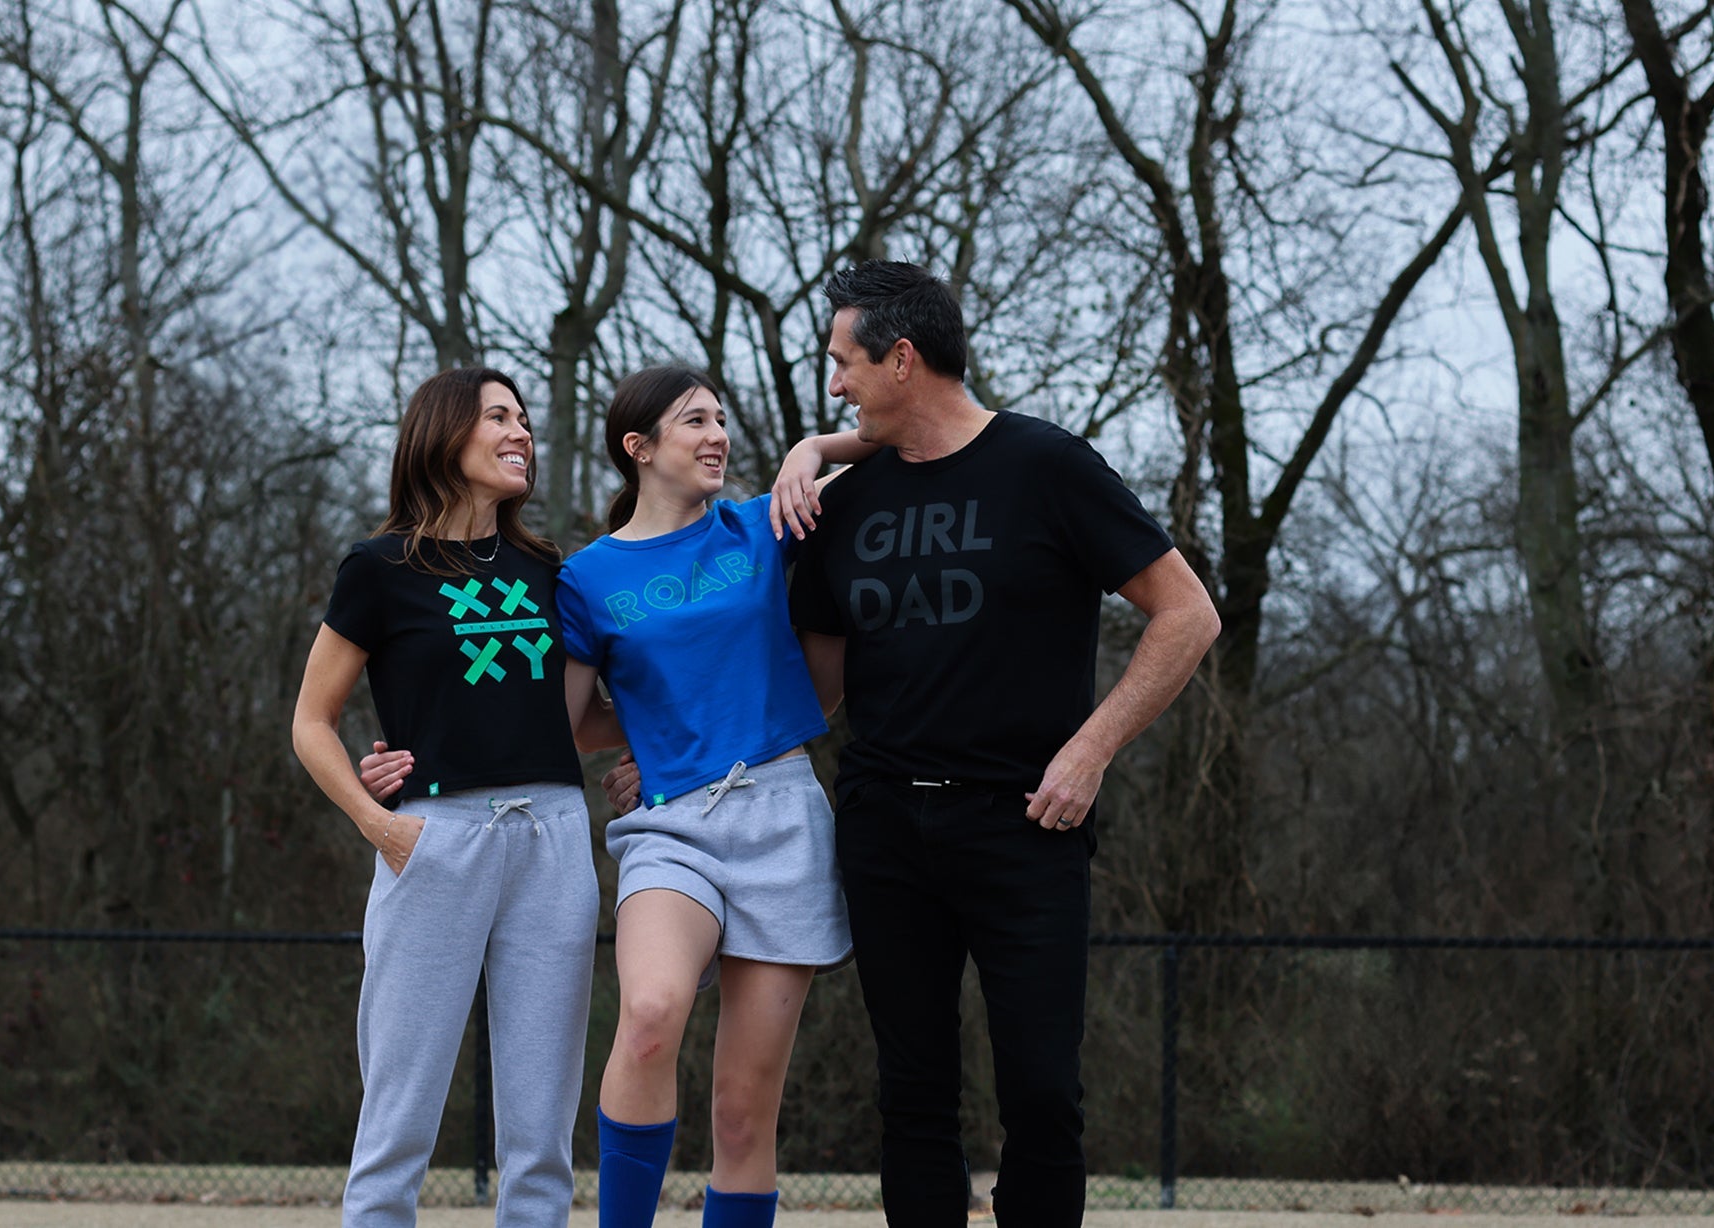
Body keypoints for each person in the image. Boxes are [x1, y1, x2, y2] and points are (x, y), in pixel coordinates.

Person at [767, 260, 1220, 1228]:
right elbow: (807, 692)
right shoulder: (839, 507)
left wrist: (1089, 750)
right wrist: (663, 755)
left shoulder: (1046, 466)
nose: (834, 383)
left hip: (1025, 823)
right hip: (885, 825)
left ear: (901, 357)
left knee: (1043, 1097)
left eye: (842, 363)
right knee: (913, 1098)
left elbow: (1186, 615)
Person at [292, 367, 619, 1228]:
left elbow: (571, 721)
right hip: (433, 842)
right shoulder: (379, 567)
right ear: (445, 434)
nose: (521, 434)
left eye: (524, 420)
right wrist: (378, 824)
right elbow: (311, 722)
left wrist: (647, 750)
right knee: (399, 1113)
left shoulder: (549, 569)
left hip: (553, 838)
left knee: (542, 1126)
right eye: (498, 417)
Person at [558, 365, 851, 1228]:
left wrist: (811, 447)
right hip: (672, 828)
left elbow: (888, 448)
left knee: (740, 1114)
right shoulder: (585, 577)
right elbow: (567, 726)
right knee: (648, 1014)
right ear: (638, 448)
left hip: (782, 814)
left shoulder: (760, 525)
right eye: (694, 421)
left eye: (720, 418)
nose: (716, 434)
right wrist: (649, 739)